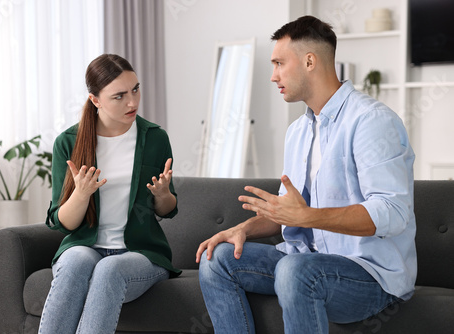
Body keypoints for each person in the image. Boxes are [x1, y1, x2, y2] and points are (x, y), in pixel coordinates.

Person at [196, 15, 416, 334]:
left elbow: (393, 213)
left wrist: (309, 217)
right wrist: (242, 228)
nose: (273, 76)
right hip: (300, 263)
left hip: (370, 275)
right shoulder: (297, 132)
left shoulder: (371, 122)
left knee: (296, 270)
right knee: (217, 259)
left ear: (309, 61)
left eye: (279, 64)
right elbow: (291, 214)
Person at [39, 54, 180, 334]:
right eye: (119, 96)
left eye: (135, 90)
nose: (133, 102)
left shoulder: (154, 138)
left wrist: (163, 194)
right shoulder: (68, 143)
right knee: (76, 261)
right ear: (96, 101)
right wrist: (81, 194)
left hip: (140, 253)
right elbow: (61, 222)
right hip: (84, 245)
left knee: (110, 269)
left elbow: (167, 209)